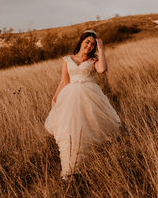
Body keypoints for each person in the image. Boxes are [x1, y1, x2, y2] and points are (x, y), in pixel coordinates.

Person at [44, 30, 121, 181]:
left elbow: (102, 70)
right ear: (81, 42)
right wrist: (55, 98)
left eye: (92, 44)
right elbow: (64, 81)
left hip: (89, 96)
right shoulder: (68, 60)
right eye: (87, 42)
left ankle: (86, 166)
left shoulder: (94, 59)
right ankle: (68, 170)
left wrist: (101, 50)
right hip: (70, 98)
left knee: (87, 130)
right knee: (68, 131)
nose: (89, 46)